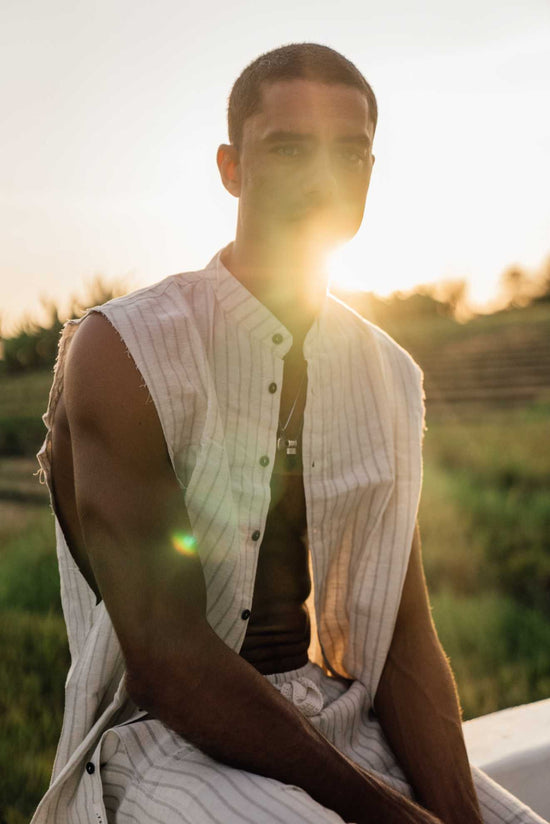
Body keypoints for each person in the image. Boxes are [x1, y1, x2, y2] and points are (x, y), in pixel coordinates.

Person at [31, 43, 546, 824]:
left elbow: (404, 640)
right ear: (231, 168)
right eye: (289, 147)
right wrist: (385, 813)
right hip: (164, 741)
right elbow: (169, 663)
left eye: (351, 150)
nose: (325, 174)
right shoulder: (125, 348)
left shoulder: (390, 375)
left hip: (334, 720)